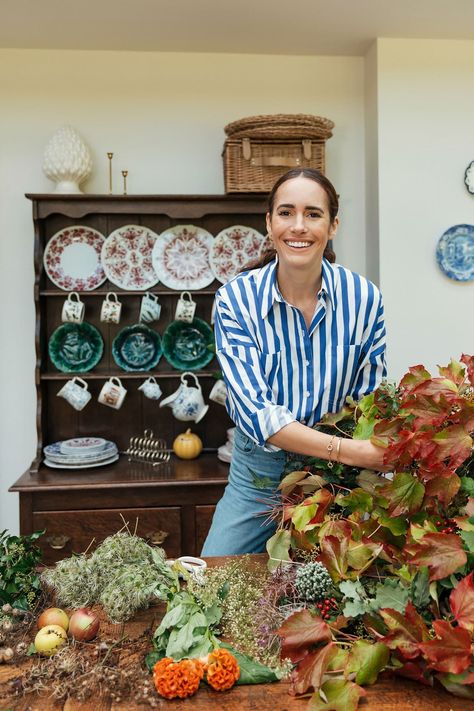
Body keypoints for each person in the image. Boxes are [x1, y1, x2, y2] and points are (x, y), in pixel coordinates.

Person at [201, 168, 387, 556]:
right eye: (286, 213)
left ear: (333, 225)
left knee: (346, 593)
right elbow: (257, 414)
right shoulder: (235, 300)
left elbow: (368, 398)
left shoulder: (365, 299)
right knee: (211, 583)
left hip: (338, 479)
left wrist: (363, 461)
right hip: (259, 477)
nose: (298, 226)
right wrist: (355, 451)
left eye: (313, 214)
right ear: (269, 223)